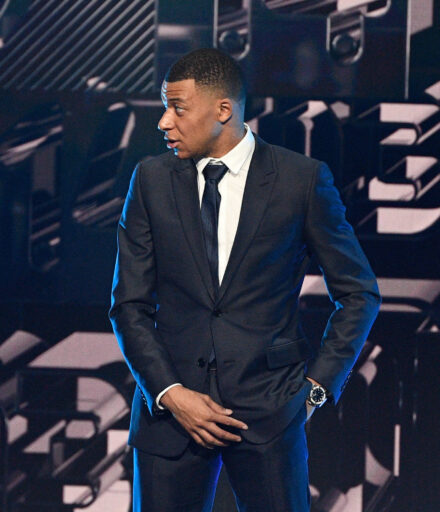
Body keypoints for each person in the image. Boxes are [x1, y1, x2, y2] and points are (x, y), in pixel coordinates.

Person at [109, 48, 380, 511]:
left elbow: (358, 293)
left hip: (271, 413)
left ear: (223, 110)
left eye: (177, 107)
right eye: (164, 106)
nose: (163, 122)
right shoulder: (150, 179)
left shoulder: (301, 180)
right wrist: (171, 394)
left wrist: (314, 389)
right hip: (169, 418)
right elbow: (128, 305)